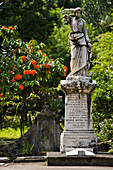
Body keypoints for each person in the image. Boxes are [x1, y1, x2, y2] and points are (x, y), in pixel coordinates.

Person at [63, 7, 92, 76]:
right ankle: (73, 73)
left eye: (79, 13)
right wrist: (66, 16)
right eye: (77, 13)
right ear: (75, 13)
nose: (78, 14)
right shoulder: (72, 20)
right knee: (73, 56)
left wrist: (88, 42)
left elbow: (85, 32)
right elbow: (66, 17)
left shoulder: (82, 21)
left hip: (82, 39)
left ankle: (83, 73)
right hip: (74, 39)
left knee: (83, 57)